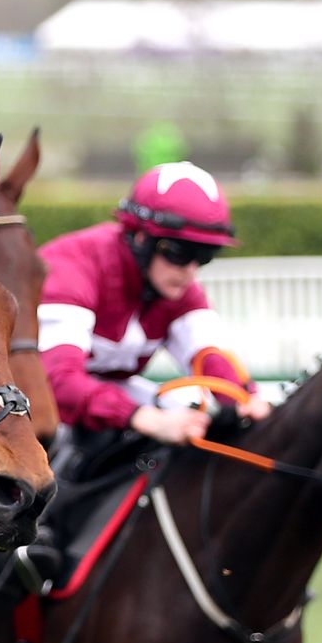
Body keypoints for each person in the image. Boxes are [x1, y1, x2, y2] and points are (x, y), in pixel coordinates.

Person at [36, 160, 273, 461]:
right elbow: (58, 380)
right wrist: (147, 419)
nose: (190, 270)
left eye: (205, 256)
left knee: (187, 419)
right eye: (179, 252)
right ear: (140, 238)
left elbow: (210, 356)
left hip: (109, 391)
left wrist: (246, 399)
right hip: (31, 399)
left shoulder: (178, 288)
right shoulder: (72, 270)